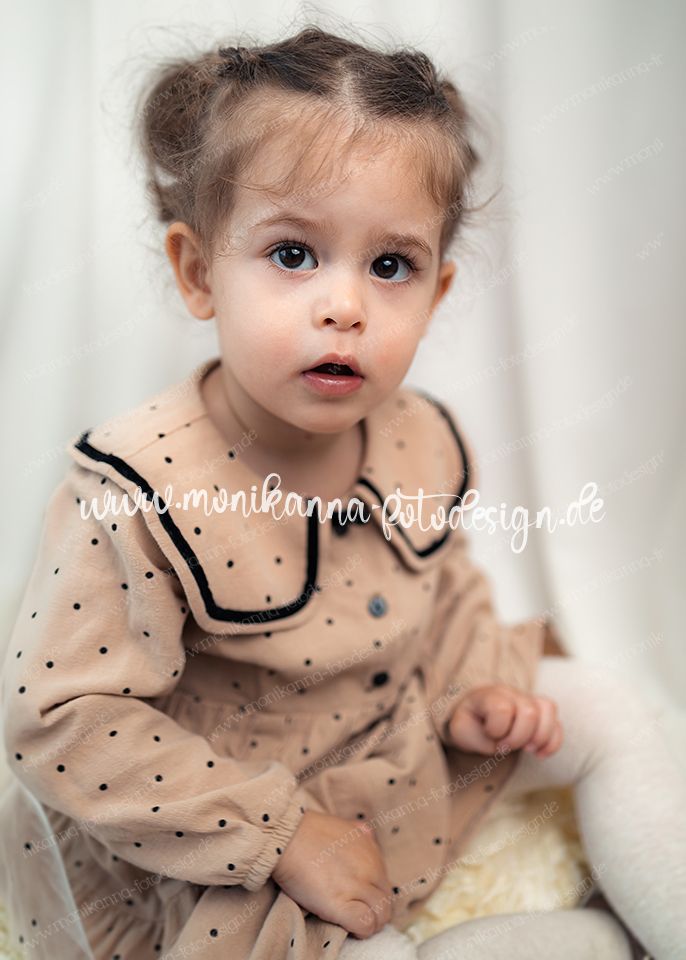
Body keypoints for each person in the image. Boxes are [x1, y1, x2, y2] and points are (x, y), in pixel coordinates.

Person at [1, 23, 684, 960]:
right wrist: (282, 835)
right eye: (293, 254)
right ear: (199, 272)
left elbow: (440, 586)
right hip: (217, 817)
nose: (345, 306)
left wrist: (470, 688)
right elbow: (62, 720)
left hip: (391, 736)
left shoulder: (414, 436)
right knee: (364, 948)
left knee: (606, 706)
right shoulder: (135, 491)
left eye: (390, 265)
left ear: (435, 294)